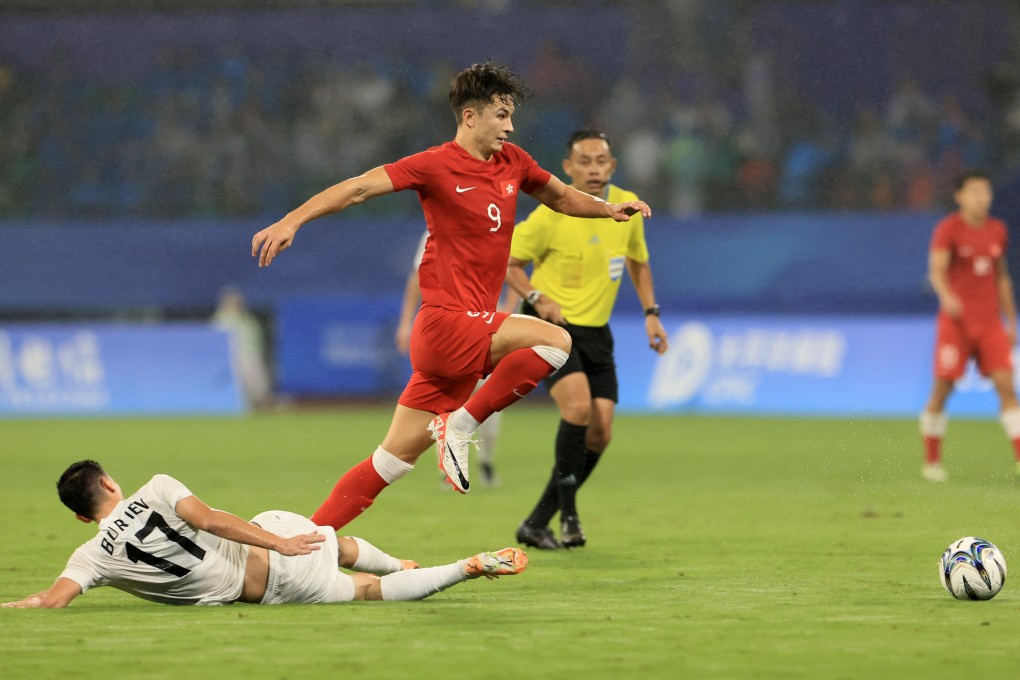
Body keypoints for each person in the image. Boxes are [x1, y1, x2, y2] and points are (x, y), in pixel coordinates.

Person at [250, 63, 650, 529]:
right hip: (446, 324)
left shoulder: (514, 162)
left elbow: (562, 197)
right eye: (501, 115)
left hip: (462, 343)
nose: (510, 125)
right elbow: (358, 189)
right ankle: (460, 424)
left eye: (511, 115)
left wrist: (608, 210)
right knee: (555, 342)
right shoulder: (433, 165)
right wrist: (291, 220)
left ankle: (305, 542)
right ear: (470, 116)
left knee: (390, 461)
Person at [2, 460, 527, 609]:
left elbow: (50, 601)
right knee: (330, 542)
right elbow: (206, 520)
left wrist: (15, 606)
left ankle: (462, 568)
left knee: (364, 591)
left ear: (79, 516)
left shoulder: (89, 557)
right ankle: (401, 563)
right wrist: (275, 541)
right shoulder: (156, 487)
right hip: (271, 543)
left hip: (267, 593)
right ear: (111, 483)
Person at [506, 130, 669, 549]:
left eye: (601, 161)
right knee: (578, 408)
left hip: (596, 330)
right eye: (585, 161)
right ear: (568, 168)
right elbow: (509, 263)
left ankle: (538, 520)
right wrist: (538, 298)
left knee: (600, 432)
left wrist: (651, 315)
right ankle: (571, 517)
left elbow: (639, 262)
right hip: (551, 329)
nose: (594, 168)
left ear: (612, 167)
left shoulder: (624, 207)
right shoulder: (548, 215)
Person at [920, 171, 1020, 482]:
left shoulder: (997, 230)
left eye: (986, 191)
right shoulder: (948, 229)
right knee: (942, 390)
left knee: (1006, 387)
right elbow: (936, 270)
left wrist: (1011, 319)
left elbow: (1001, 277)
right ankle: (932, 462)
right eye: (975, 191)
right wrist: (947, 296)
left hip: (989, 322)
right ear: (960, 196)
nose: (982, 198)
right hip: (957, 324)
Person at [395, 231, 509, 488]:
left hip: (485, 326)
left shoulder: (494, 222)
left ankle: (487, 461)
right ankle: (448, 468)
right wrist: (405, 323)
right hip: (448, 329)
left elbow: (511, 272)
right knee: (447, 403)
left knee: (490, 400)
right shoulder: (434, 231)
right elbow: (417, 278)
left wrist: (509, 318)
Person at [211, 286, 273, 409]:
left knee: (258, 384)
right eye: (232, 302)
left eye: (237, 302)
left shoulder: (249, 320)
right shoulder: (219, 320)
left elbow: (257, 341)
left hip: (252, 356)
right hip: (231, 358)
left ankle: (260, 405)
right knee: (239, 384)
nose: (235, 304)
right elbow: (214, 342)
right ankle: (242, 406)